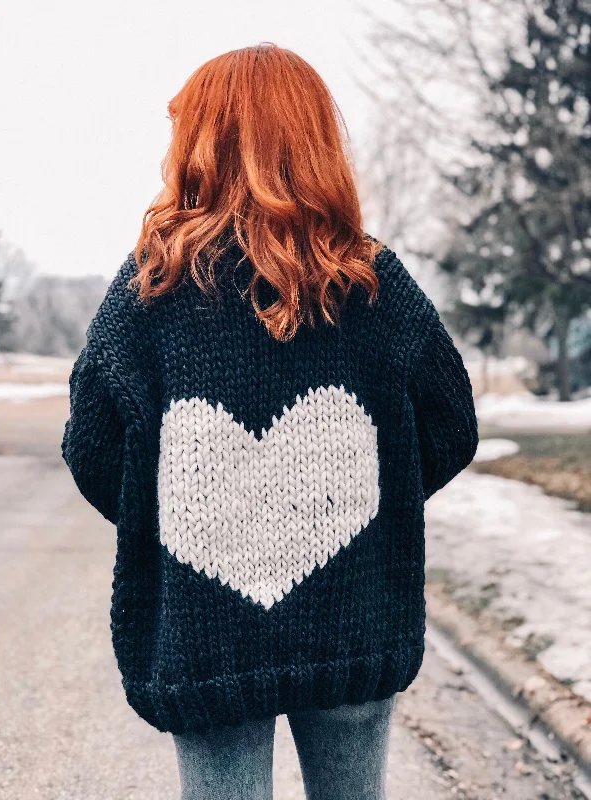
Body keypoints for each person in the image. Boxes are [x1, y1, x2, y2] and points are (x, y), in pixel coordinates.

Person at [62, 43, 478, 800]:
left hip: (207, 635)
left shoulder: (151, 288)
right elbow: (451, 425)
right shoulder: (373, 283)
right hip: (353, 617)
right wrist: (362, 510)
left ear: (200, 144)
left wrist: (188, 518)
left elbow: (92, 448)